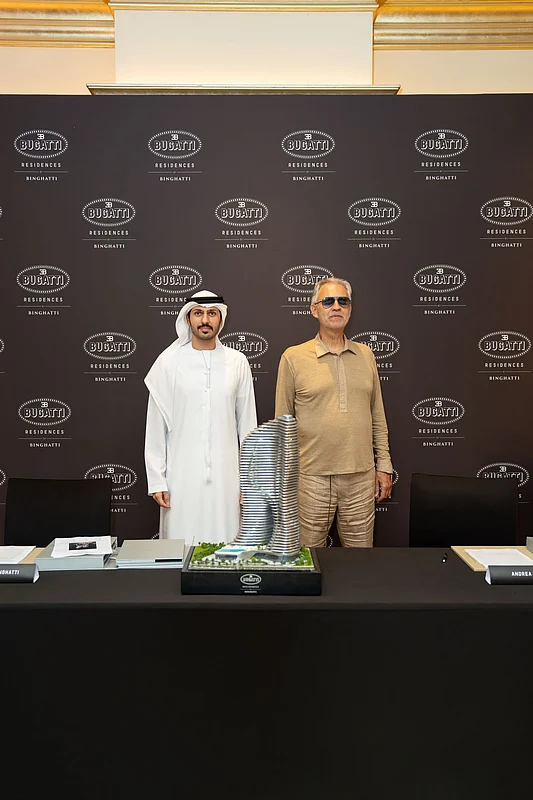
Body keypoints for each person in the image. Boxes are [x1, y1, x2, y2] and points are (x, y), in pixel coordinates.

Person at [275, 277, 393, 548]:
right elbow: (283, 423)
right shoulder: (293, 357)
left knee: (359, 562)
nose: (336, 307)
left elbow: (377, 416)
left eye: (343, 301)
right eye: (328, 301)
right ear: (314, 309)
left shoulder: (366, 355)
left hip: (361, 479)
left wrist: (384, 466)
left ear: (350, 309)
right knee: (306, 560)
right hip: (310, 480)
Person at [144, 290, 257, 546]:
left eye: (212, 313)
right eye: (198, 313)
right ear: (188, 318)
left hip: (227, 478)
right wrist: (157, 479)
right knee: (180, 547)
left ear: (221, 319)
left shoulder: (237, 362)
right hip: (180, 478)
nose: (205, 320)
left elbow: (248, 425)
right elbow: (156, 426)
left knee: (227, 548)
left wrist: (249, 482)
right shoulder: (168, 362)